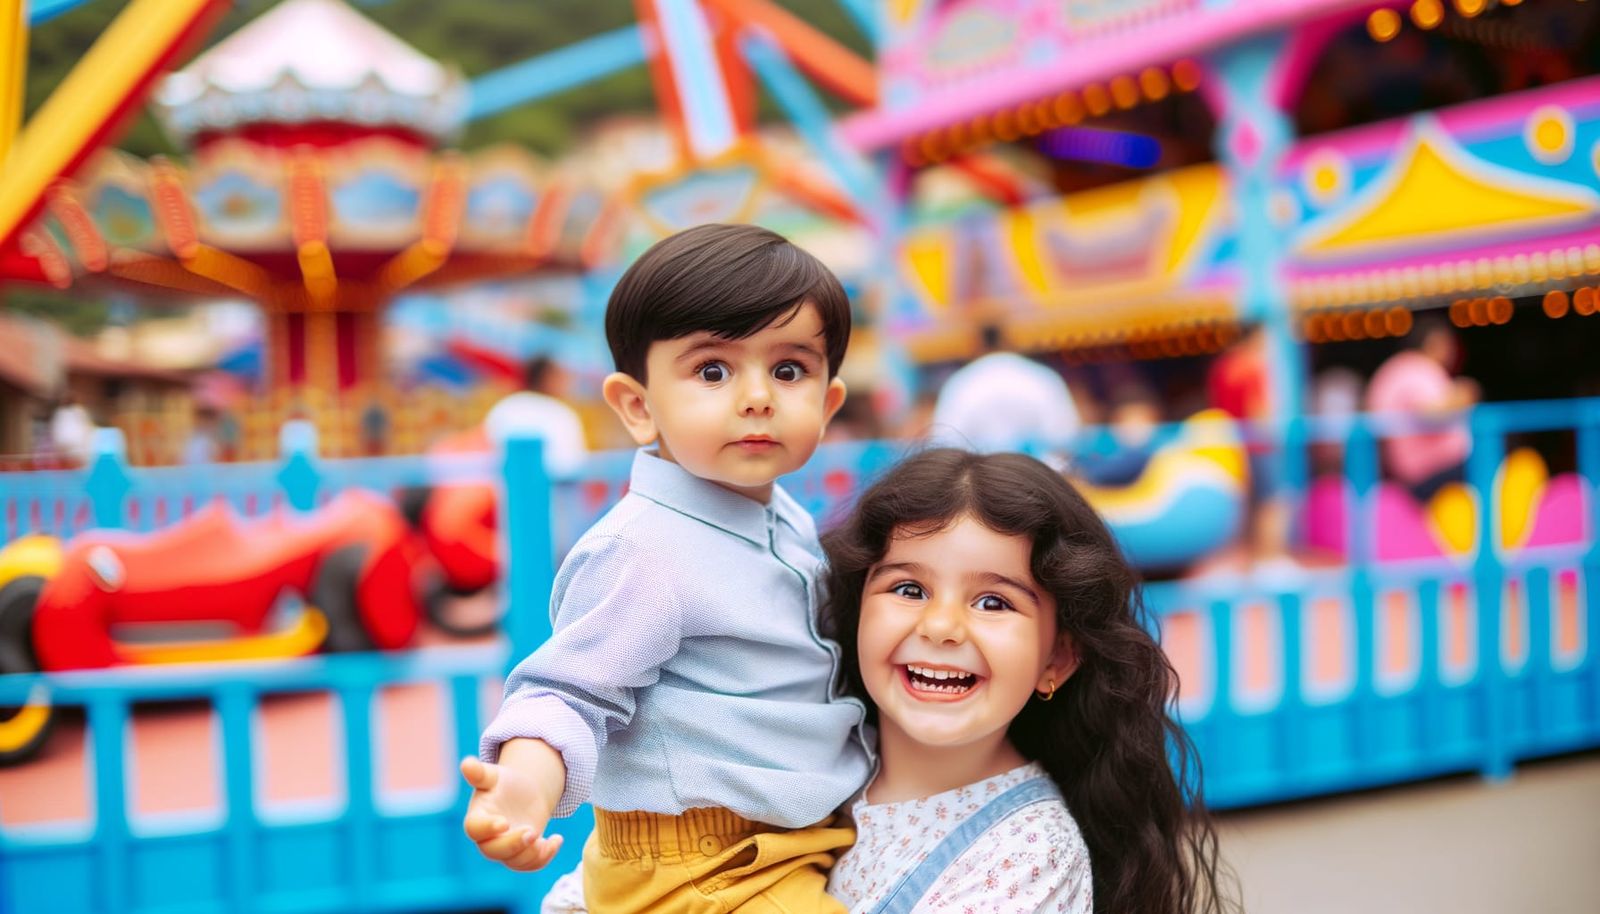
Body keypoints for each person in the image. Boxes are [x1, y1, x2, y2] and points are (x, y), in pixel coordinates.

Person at [541, 449, 1233, 913]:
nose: (942, 627)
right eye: (907, 588)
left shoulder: (1027, 857)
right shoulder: (791, 758)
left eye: (994, 602)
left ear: (1057, 658)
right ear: (854, 607)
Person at [461, 224, 870, 913]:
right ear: (638, 407)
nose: (758, 396)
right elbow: (567, 692)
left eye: (790, 369)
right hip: (702, 868)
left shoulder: (785, 520)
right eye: (713, 370)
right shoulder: (647, 550)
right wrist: (527, 785)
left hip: (788, 838)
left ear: (828, 404)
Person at [1365, 317, 1478, 502]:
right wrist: (1463, 396)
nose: (1452, 351)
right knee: (1489, 465)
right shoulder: (1418, 368)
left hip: (1402, 470)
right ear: (1433, 342)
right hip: (1428, 471)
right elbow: (1430, 413)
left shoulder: (1395, 369)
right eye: (1448, 344)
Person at [929, 324, 1081, 459]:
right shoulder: (1041, 377)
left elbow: (945, 441)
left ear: (976, 345)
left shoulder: (961, 383)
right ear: (1008, 341)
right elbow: (1065, 433)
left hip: (980, 481)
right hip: (1038, 476)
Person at [482, 355, 588, 476]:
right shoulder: (561, 414)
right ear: (548, 377)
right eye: (560, 376)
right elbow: (571, 466)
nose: (566, 382)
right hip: (553, 491)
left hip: (505, 491)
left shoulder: (503, 407)